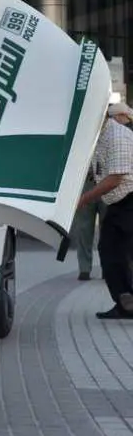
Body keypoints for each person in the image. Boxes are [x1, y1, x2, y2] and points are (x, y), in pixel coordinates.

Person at [77, 102, 133, 319]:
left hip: (129, 201)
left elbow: (115, 178)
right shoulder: (101, 137)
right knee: (111, 252)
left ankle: (125, 301)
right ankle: (124, 302)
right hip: (119, 204)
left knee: (120, 253)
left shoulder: (117, 136)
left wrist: (84, 199)